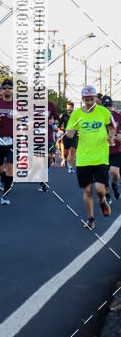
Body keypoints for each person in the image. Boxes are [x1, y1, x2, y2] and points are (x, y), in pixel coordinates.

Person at [64, 85, 116, 229]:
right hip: (83, 158)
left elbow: (112, 127)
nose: (89, 102)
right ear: (82, 99)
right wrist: (69, 133)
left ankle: (102, 201)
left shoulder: (104, 112)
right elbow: (69, 132)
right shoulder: (76, 114)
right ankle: (91, 219)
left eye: (91, 99)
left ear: (96, 99)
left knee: (100, 189)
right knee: (87, 190)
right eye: (86, 100)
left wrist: (110, 137)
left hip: (100, 157)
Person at [101, 96, 121, 201]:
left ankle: (114, 185)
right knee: (103, 175)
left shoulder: (118, 116)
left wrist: (119, 136)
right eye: (105, 106)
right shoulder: (98, 118)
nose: (108, 108)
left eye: (109, 105)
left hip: (116, 149)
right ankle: (107, 194)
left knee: (114, 172)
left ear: (112, 106)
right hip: (102, 151)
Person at [40, 98, 60, 192]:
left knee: (47, 159)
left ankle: (43, 180)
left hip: (48, 136)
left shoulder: (50, 105)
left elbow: (57, 118)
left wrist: (54, 122)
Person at [60, 101, 78, 172]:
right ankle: (65, 159)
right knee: (66, 152)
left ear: (73, 108)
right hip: (66, 135)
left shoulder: (76, 115)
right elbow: (59, 124)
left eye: (70, 108)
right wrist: (61, 130)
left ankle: (70, 167)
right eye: (68, 108)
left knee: (72, 151)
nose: (69, 109)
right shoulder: (64, 116)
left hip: (74, 135)